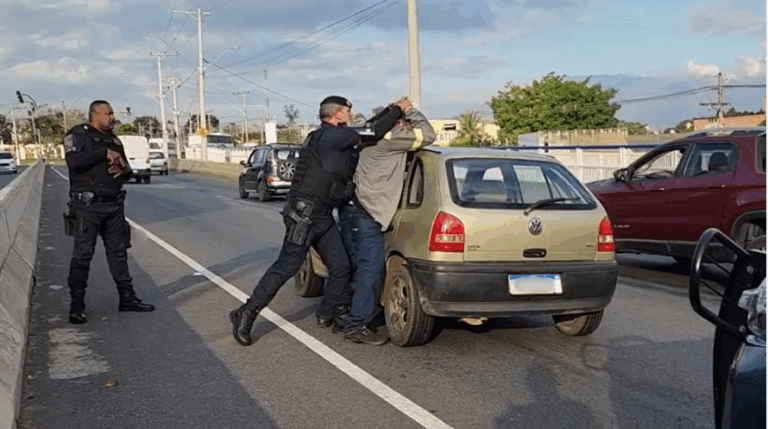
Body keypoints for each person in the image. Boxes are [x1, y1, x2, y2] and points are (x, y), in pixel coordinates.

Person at [230, 96, 410, 346]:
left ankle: (334, 313)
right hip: (304, 216)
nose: (350, 114)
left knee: (341, 266)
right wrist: (399, 109)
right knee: (286, 267)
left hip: (321, 215)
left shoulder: (333, 135)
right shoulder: (330, 137)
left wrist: (390, 110)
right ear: (337, 114)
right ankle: (246, 313)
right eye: (347, 111)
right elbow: (372, 132)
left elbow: (366, 128)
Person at [339, 100, 435, 345]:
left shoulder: (366, 135)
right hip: (371, 212)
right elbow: (428, 135)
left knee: (354, 265)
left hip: (357, 207)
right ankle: (355, 324)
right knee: (370, 269)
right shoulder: (391, 138)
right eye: (405, 123)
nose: (407, 127)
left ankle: (337, 311)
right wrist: (410, 110)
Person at [64, 100, 154, 324]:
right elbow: (74, 163)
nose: (113, 117)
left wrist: (122, 169)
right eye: (108, 113)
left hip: (113, 205)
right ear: (95, 115)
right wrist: (104, 153)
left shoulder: (113, 139)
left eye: (113, 113)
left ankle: (127, 298)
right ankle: (77, 305)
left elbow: (126, 170)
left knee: (118, 252)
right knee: (83, 254)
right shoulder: (78, 135)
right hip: (88, 206)